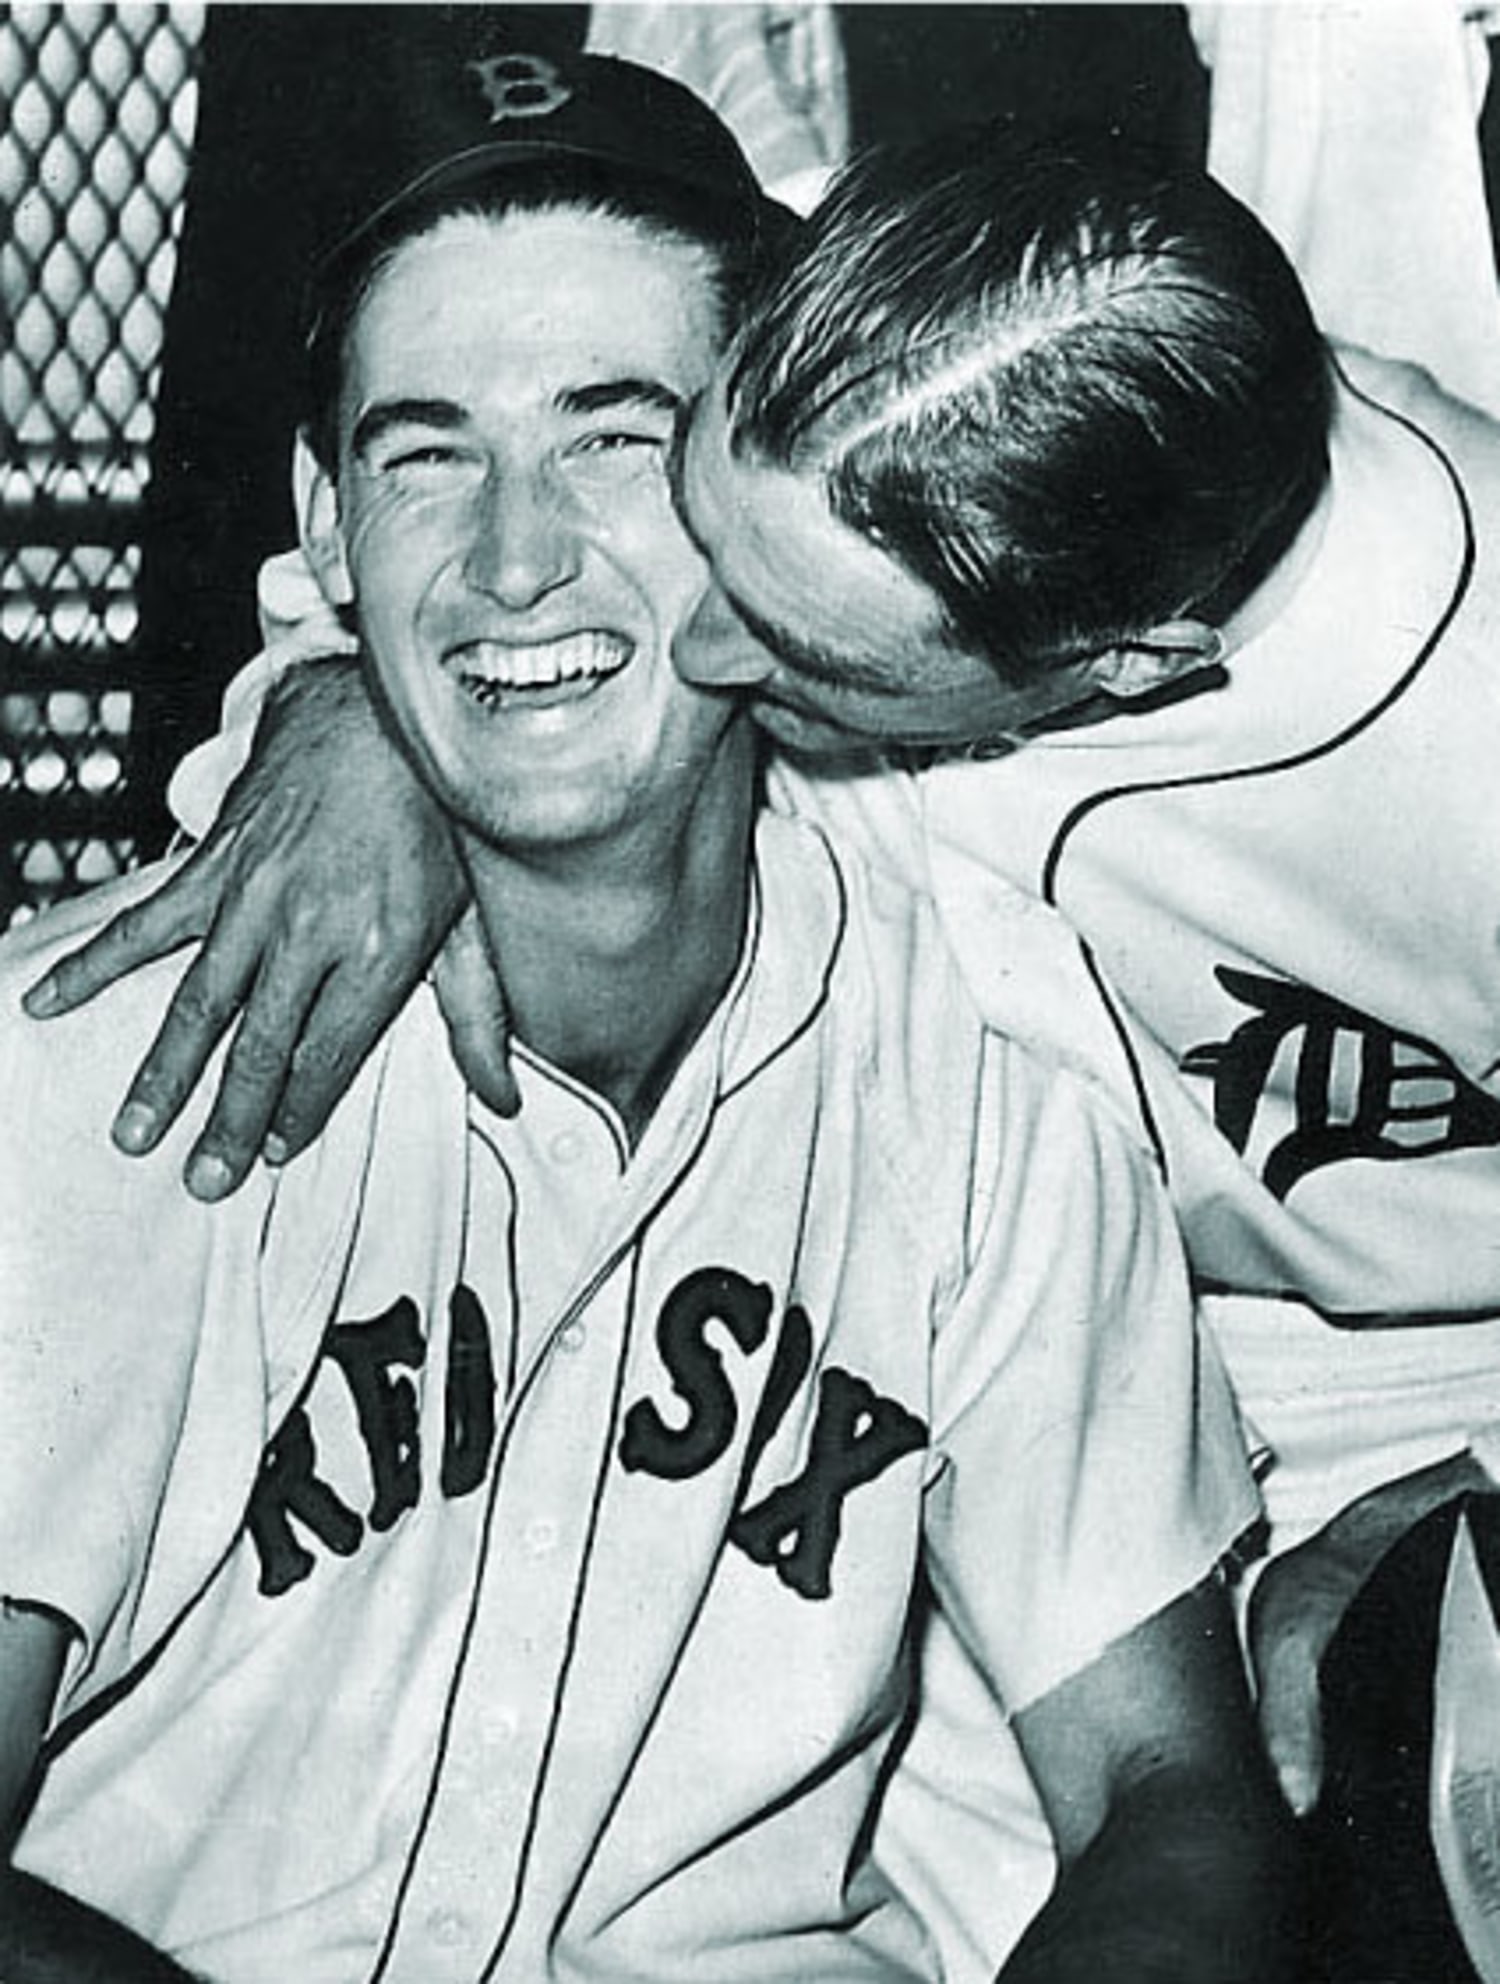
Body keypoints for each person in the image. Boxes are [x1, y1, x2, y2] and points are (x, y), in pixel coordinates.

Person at [0, 53, 1296, 1984]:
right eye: (424, 452)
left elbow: (1168, 1789)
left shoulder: (983, 1046)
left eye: (614, 439)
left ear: (764, 478)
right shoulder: (97, 1051)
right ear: (323, 525)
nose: (514, 557)